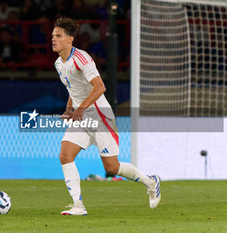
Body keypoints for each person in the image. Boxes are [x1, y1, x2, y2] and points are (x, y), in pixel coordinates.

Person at [52, 17, 161, 215]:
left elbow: (100, 86)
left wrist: (80, 109)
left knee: (112, 167)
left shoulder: (81, 58)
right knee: (65, 155)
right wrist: (70, 109)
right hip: (81, 116)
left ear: (70, 40)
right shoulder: (59, 63)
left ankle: (151, 182)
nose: (53, 39)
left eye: (58, 36)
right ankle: (78, 205)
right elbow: (73, 89)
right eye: (53, 35)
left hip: (100, 115)